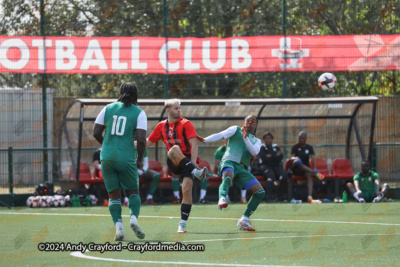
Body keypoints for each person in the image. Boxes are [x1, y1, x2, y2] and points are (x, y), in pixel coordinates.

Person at [93, 82, 147, 241]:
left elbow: (96, 132)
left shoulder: (108, 108)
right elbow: (142, 140)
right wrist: (139, 159)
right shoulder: (139, 113)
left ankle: (119, 229)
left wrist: (107, 145)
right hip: (126, 158)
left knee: (113, 196)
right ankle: (133, 219)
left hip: (107, 158)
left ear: (120, 92)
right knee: (133, 192)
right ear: (136, 94)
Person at [146, 98, 208, 233]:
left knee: (186, 189)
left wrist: (192, 163)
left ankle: (182, 224)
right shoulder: (161, 126)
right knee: (174, 149)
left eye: (179, 107)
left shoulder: (186, 123)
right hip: (173, 160)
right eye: (176, 108)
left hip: (189, 161)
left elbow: (195, 144)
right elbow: (147, 142)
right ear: (167, 110)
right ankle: (196, 173)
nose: (179, 110)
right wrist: (128, 143)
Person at [199, 115, 264, 231]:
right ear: (243, 123)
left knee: (260, 192)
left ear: (256, 125)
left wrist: (245, 138)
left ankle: (244, 220)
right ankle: (222, 198)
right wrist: (204, 139)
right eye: (247, 121)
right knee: (228, 177)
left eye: (253, 121)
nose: (250, 123)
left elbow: (253, 152)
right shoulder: (235, 129)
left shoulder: (257, 141)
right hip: (229, 161)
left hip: (242, 168)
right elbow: (220, 135)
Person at [253, 131, 288, 202]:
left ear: (272, 139)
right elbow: (264, 159)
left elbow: (280, 156)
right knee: (270, 177)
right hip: (265, 167)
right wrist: (275, 156)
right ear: (264, 140)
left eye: (269, 138)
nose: (268, 140)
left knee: (284, 176)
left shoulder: (276, 146)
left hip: (276, 166)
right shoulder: (262, 147)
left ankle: (282, 197)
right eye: (266, 138)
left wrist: (270, 156)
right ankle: (269, 197)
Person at [290, 131, 323, 203]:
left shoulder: (309, 147)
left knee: (309, 176)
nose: (301, 140)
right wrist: (296, 158)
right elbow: (291, 158)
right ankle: (313, 172)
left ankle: (309, 197)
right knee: (298, 162)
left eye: (303, 138)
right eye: (300, 138)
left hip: (306, 168)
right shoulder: (294, 147)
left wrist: (315, 168)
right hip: (296, 168)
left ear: (306, 139)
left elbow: (313, 158)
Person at [214, 139, 248, 204]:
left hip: (236, 169)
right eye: (227, 139)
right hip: (223, 170)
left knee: (244, 175)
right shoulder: (220, 150)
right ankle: (225, 197)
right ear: (224, 140)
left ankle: (243, 197)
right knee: (227, 177)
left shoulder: (238, 149)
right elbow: (217, 165)